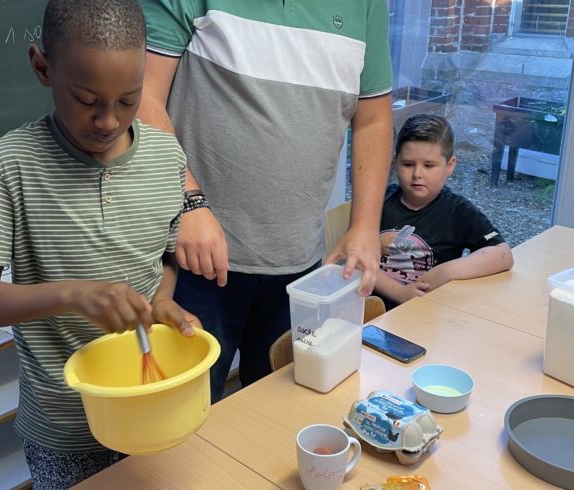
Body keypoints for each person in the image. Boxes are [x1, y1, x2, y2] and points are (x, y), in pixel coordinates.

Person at [0, 0, 199, 487]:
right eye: (86, 99)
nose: (108, 121)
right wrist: (72, 293)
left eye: (128, 100)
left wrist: (162, 302)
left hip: (152, 405)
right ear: (43, 67)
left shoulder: (166, 156)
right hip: (65, 430)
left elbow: (166, 257)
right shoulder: (7, 168)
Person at [138, 1, 394, 402]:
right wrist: (188, 200)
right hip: (193, 260)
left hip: (301, 266)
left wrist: (364, 225)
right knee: (184, 411)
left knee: (281, 409)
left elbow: (373, 119)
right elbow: (141, 97)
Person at [376, 114, 514, 308]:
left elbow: (502, 255)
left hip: (430, 313)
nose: (417, 174)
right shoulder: (378, 201)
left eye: (429, 165)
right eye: (408, 164)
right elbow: (357, 261)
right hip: (372, 312)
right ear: (395, 162)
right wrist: (401, 293)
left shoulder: (457, 211)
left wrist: (446, 271)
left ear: (450, 166)